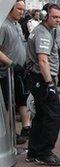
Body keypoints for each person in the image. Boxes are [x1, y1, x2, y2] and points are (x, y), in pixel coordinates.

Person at [24, 3, 60, 166]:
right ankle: (45, 153)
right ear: (44, 15)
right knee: (54, 116)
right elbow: (42, 60)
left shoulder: (46, 31)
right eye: (54, 17)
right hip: (42, 79)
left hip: (37, 78)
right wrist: (49, 84)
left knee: (40, 116)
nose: (58, 20)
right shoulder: (43, 34)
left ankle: (34, 151)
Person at [0, 0, 30, 144]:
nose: (22, 12)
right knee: (8, 104)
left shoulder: (17, 25)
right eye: (19, 9)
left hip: (18, 71)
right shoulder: (3, 26)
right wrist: (11, 63)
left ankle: (25, 128)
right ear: (10, 9)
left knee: (22, 99)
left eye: (23, 9)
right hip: (6, 73)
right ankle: (10, 135)